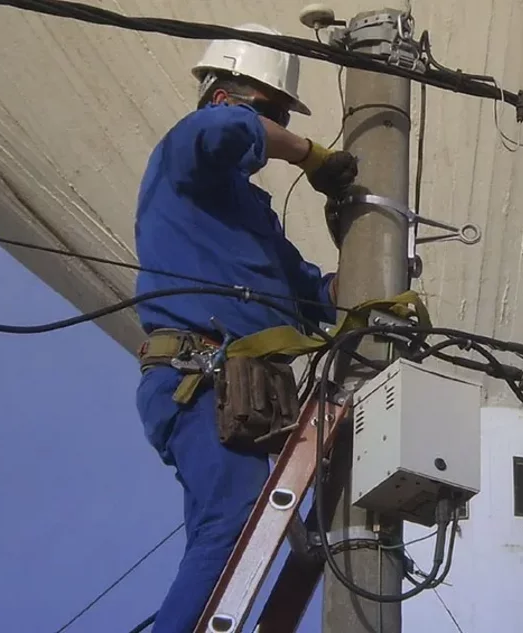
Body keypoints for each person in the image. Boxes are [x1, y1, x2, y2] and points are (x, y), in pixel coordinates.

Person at [131, 24, 357, 633]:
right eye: (272, 111)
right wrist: (311, 154)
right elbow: (227, 133)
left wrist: (367, 260)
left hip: (240, 388)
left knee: (220, 534)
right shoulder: (190, 147)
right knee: (233, 522)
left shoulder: (246, 210)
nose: (277, 124)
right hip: (199, 378)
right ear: (223, 96)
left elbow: (311, 294)